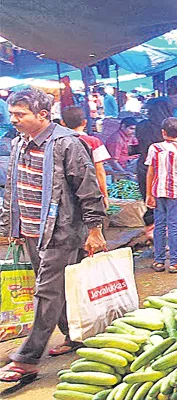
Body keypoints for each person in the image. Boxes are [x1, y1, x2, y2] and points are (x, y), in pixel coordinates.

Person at [0, 87, 106, 381]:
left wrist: (95, 229)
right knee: (54, 288)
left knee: (46, 292)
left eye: (20, 115)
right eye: (12, 114)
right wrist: (12, 226)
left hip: (62, 231)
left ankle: (27, 358)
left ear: (43, 115)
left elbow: (88, 188)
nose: (14, 120)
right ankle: (74, 335)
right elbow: (15, 185)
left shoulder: (67, 144)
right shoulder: (20, 142)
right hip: (32, 230)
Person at [145, 118, 177, 273]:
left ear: (163, 132)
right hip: (175, 193)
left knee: (159, 225)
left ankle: (159, 261)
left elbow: (150, 172)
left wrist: (148, 194)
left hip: (158, 191)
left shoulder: (154, 148)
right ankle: (175, 262)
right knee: (174, 226)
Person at [61, 106, 111, 209]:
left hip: (64, 191)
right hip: (90, 189)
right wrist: (105, 195)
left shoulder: (57, 142)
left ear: (62, 123)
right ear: (84, 122)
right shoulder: (94, 142)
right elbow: (100, 171)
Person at [136, 98, 174, 227]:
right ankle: (164, 234)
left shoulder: (141, 125)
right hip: (164, 167)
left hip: (145, 166)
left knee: (150, 200)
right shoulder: (170, 127)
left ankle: (154, 230)